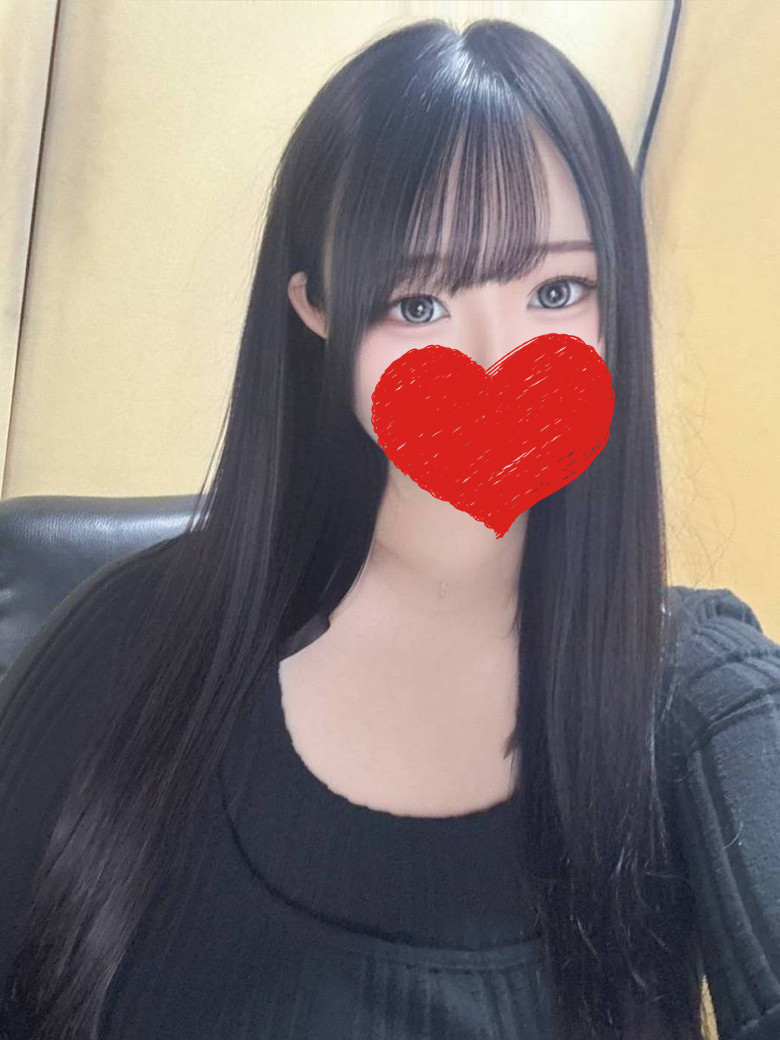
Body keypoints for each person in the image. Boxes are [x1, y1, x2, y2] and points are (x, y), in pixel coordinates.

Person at [1, 17, 778, 1040]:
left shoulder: (700, 689)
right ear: (315, 309)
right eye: (419, 302)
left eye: (557, 290)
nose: (497, 357)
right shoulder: (127, 641)